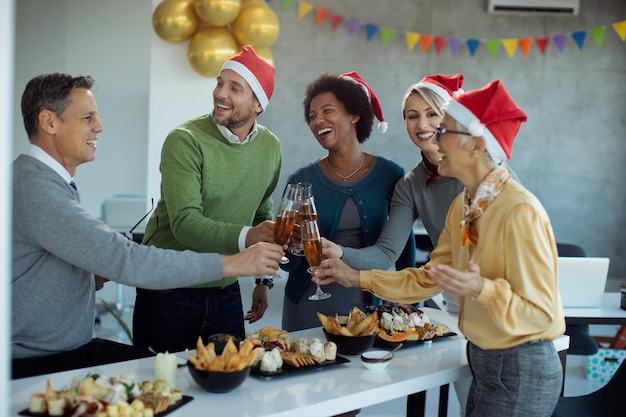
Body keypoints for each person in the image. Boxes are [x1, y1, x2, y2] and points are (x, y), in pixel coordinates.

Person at [314, 80, 565, 417]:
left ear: (477, 146)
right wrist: (355, 278)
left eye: (444, 128)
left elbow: (541, 314)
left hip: (519, 365)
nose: (433, 136)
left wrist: (482, 289)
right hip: (486, 359)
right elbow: (426, 278)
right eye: (414, 117)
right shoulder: (465, 204)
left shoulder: (518, 209)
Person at [11, 72, 284, 379]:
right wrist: (234, 263)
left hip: (62, 351)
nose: (99, 127)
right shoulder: (36, 189)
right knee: (167, 379)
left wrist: (88, 273)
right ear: (49, 122)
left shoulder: (39, 181)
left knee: (180, 376)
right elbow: (128, 260)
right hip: (36, 363)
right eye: (87, 118)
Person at [321, 73, 471, 414]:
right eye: (412, 115)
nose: (422, 124)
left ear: (450, 116)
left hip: (496, 308)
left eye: (432, 113)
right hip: (456, 308)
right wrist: (340, 252)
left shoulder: (478, 169)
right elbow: (385, 252)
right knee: (471, 406)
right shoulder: (411, 185)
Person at [132, 45, 283, 353]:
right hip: (168, 287)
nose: (220, 93)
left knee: (229, 385)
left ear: (258, 104)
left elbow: (260, 214)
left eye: (234, 87)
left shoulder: (270, 147)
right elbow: (185, 224)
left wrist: (262, 280)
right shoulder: (185, 140)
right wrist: (250, 236)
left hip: (225, 287)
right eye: (219, 83)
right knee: (162, 386)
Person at [280, 72, 416, 331]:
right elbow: (291, 263)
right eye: (311, 116)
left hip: (367, 302)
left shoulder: (391, 174)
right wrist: (289, 247)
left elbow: (402, 242)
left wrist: (406, 293)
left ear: (354, 114)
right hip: (307, 305)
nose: (318, 120)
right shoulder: (301, 180)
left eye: (327, 110)